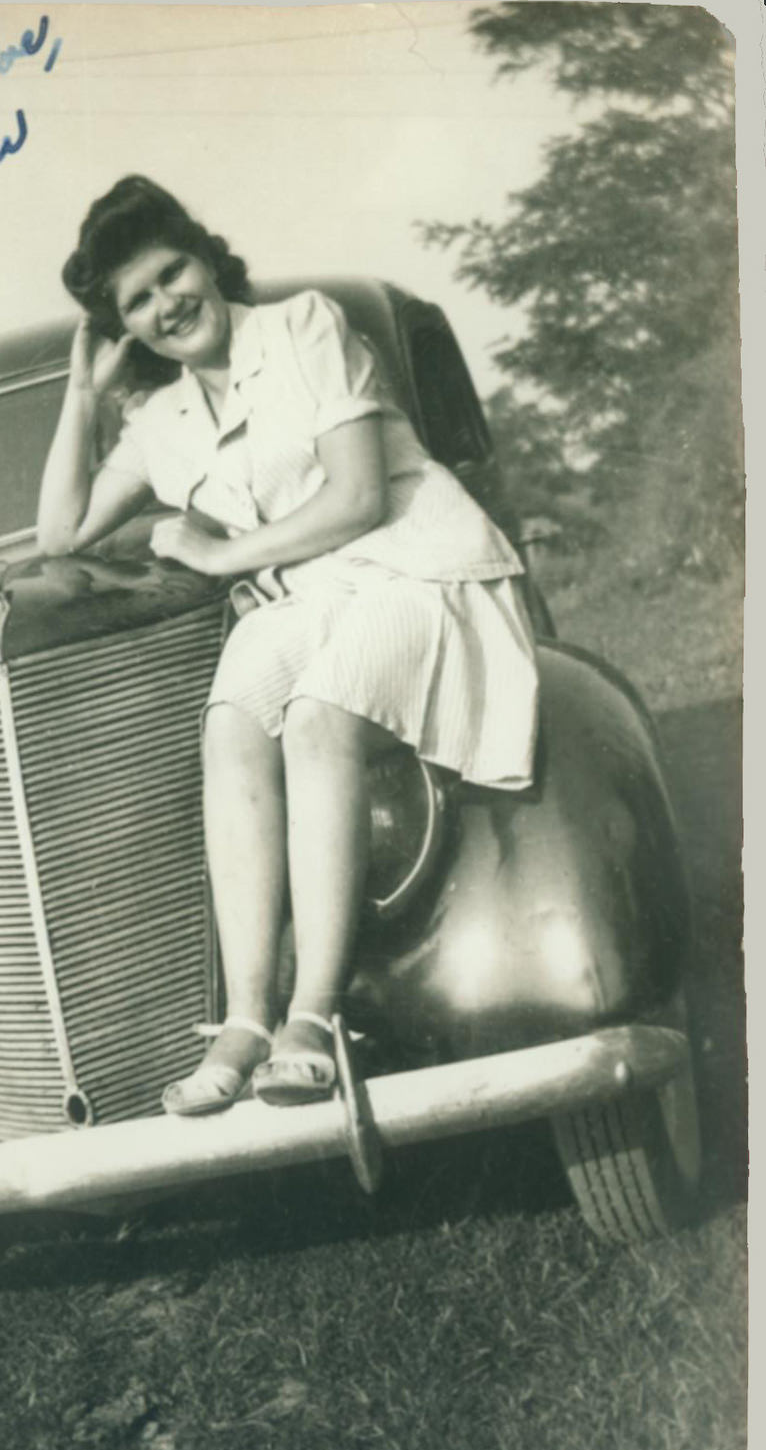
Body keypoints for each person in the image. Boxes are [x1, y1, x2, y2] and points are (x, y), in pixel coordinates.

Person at [37, 176, 539, 1115]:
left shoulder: (304, 326)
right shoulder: (161, 421)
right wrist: (81, 391)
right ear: (124, 327)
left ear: (207, 258)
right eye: (138, 301)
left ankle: (315, 1014)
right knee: (230, 723)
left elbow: (359, 497)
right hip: (310, 601)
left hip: (413, 568)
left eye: (173, 273)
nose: (166, 304)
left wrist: (221, 554)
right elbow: (60, 532)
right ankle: (246, 1020)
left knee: (316, 717)